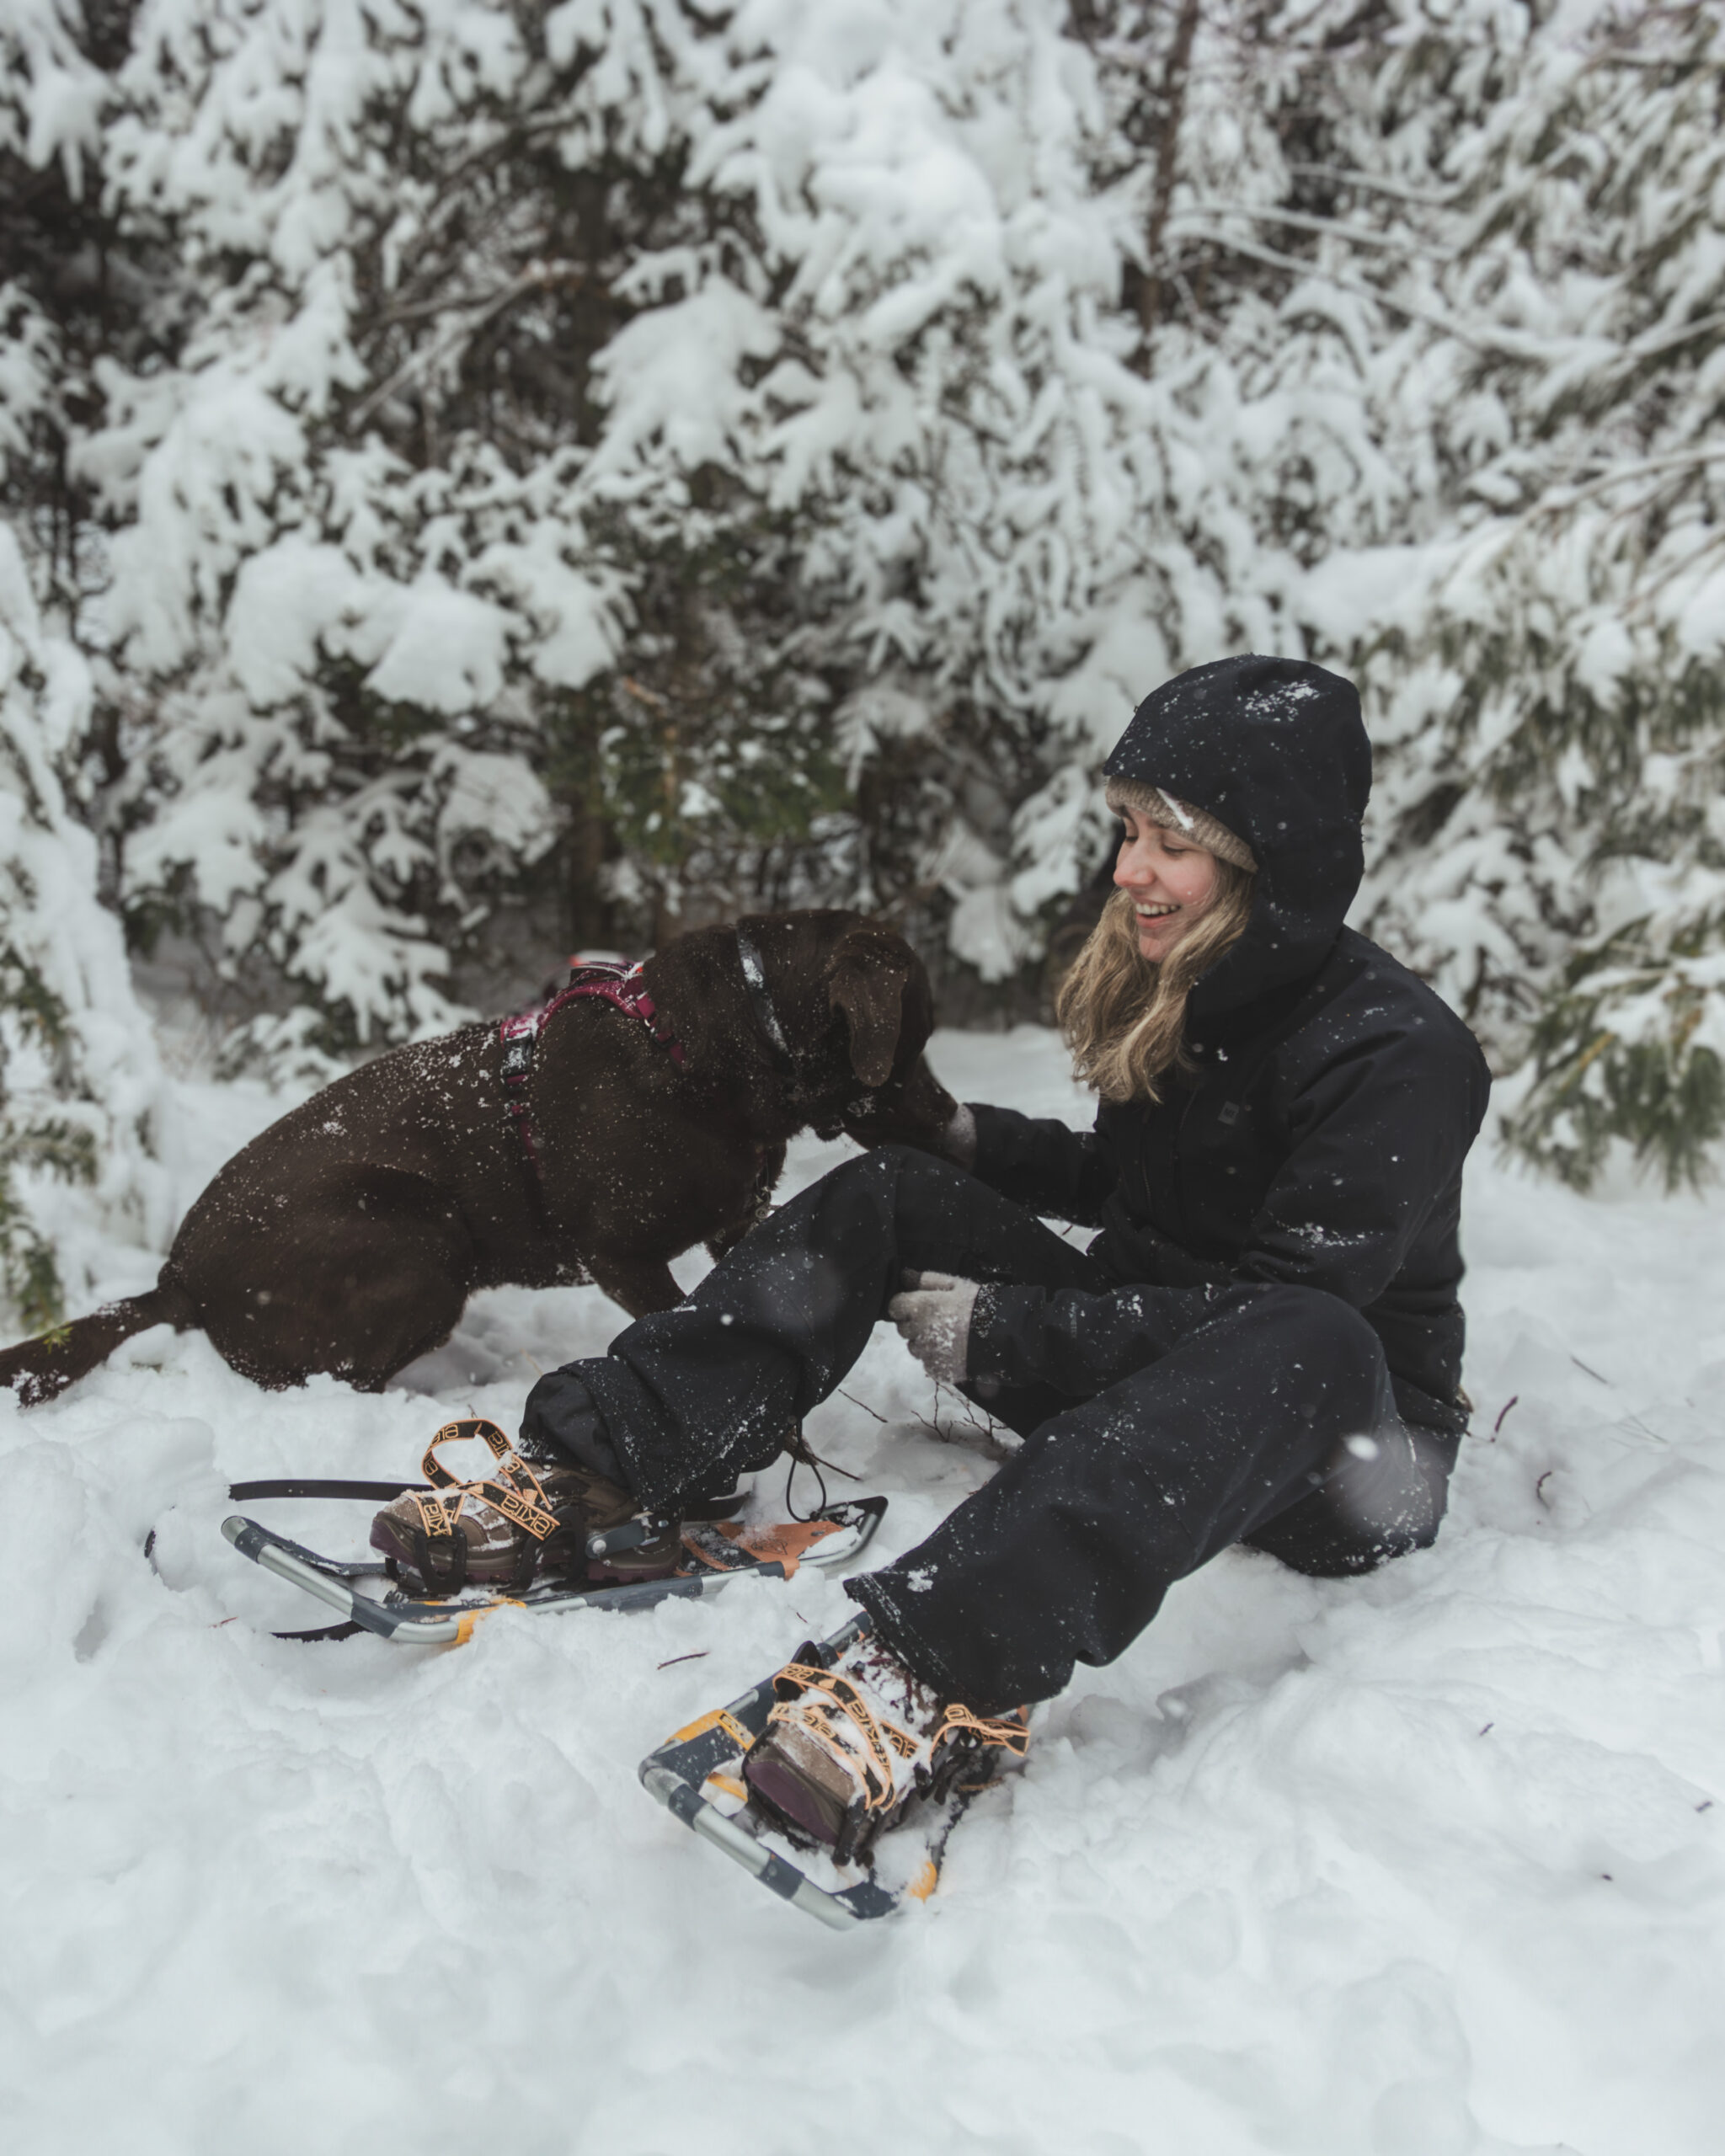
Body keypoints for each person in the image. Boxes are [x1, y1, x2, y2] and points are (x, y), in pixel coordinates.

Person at [371, 654, 1491, 1864]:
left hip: (1343, 1454)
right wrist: (959, 1141)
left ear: (1268, 858)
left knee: (1308, 1333)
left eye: (1169, 842)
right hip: (1159, 1370)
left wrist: (1014, 1336)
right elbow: (1144, 1191)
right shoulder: (1204, 985)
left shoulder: (1398, 1056)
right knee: (895, 1191)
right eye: (1126, 832)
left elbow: (1289, 1309)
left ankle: (934, 1672)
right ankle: (608, 1467)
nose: (1130, 873)